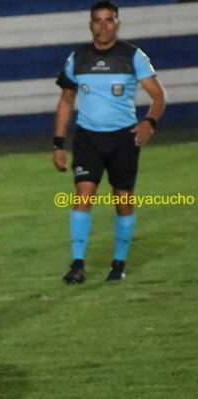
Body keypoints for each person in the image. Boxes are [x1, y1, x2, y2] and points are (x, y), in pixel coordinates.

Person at [53, 0, 166, 284]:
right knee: (83, 198)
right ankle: (77, 263)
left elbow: (158, 95)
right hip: (88, 138)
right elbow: (66, 100)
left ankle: (118, 264)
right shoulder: (77, 58)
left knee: (123, 201)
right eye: (98, 20)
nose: (103, 26)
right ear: (90, 24)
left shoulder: (133, 56)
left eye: (109, 20)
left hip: (123, 140)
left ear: (117, 23)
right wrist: (58, 144)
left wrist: (149, 122)